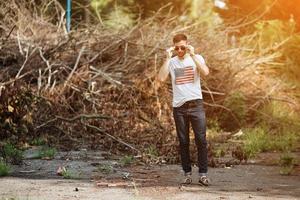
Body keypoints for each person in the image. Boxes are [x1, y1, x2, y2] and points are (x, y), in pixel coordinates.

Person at [157, 33, 210, 186]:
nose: (180, 51)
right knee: (183, 141)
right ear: (174, 48)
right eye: (177, 48)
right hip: (179, 107)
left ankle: (203, 174)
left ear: (187, 45)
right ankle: (187, 174)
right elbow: (160, 78)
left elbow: (205, 72)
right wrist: (167, 58)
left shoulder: (196, 58)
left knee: (201, 140)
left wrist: (192, 55)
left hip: (196, 105)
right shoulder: (172, 62)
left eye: (183, 47)